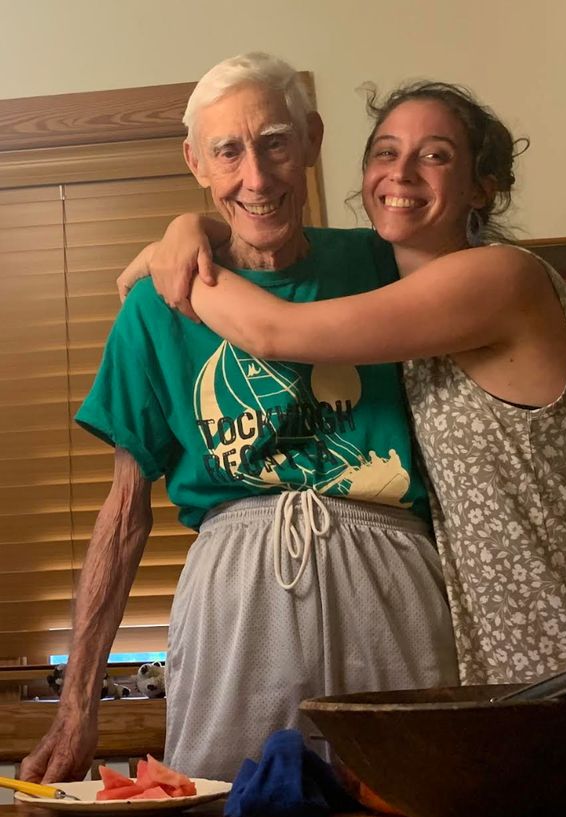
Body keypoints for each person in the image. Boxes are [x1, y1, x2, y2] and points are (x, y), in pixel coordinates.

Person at [124, 78, 566, 687]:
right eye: (385, 152)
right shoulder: (397, 315)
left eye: (434, 155)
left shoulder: (496, 277)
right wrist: (196, 226)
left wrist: (171, 259)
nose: (402, 173)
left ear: (483, 188)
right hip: (526, 664)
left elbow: (275, 332)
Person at [20, 53, 461, 785]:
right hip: (236, 599)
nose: (256, 177)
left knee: (422, 793)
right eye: (228, 151)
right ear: (196, 161)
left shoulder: (387, 260)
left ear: (313, 140)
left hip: (393, 586)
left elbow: (496, 323)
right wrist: (77, 706)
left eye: (276, 142)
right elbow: (124, 516)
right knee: (231, 795)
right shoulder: (152, 309)